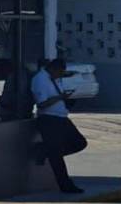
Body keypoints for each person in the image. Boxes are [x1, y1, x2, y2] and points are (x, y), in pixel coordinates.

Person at [30, 57, 87, 194]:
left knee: (79, 143)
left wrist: (65, 98)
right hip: (49, 119)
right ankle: (65, 185)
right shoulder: (40, 80)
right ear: (53, 69)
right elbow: (42, 104)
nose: (60, 76)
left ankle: (45, 150)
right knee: (56, 155)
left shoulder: (54, 78)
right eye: (60, 72)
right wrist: (60, 98)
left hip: (61, 116)